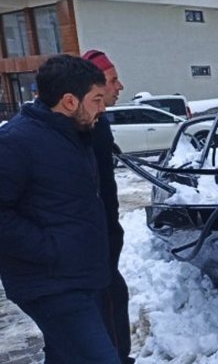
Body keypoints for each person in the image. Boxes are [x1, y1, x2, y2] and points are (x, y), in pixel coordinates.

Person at [0, 55, 120, 363]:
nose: (103, 107)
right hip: (50, 284)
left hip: (80, 277)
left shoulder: (73, 135)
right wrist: (50, 248)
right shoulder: (17, 141)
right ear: (69, 101)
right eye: (96, 99)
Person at [83, 49, 134, 364]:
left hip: (100, 247)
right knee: (108, 308)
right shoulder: (85, 127)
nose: (120, 86)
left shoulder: (96, 124)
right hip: (92, 252)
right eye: (112, 80)